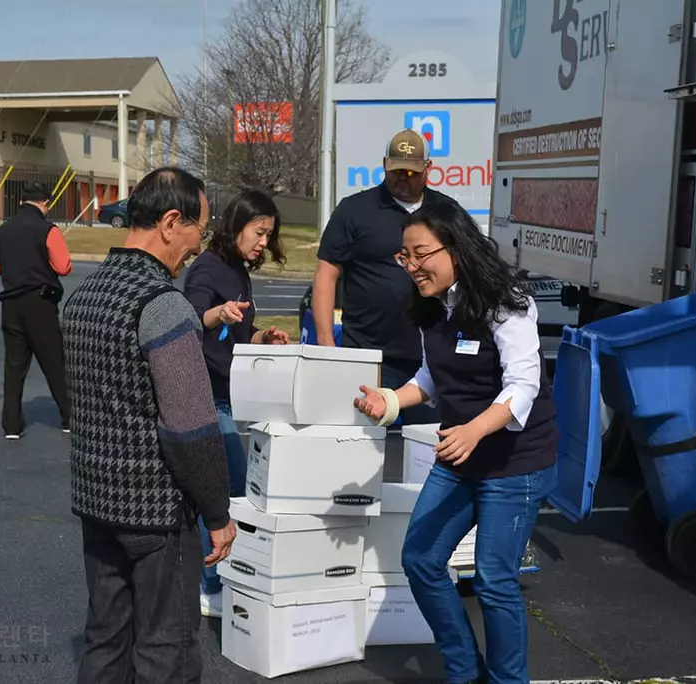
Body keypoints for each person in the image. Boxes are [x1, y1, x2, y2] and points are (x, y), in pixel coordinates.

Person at [353, 201, 558, 684]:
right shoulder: (431, 308)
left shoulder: (507, 301)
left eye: (420, 253)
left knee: (494, 580)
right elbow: (431, 377)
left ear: (456, 248)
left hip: (514, 462)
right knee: (421, 559)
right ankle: (465, 670)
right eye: (404, 257)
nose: (412, 266)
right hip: (460, 456)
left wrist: (474, 429)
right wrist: (391, 401)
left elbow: (523, 384)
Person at [61, 166, 237, 684]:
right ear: (169, 222)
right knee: (167, 649)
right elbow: (191, 429)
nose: (197, 247)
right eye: (197, 232)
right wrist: (217, 511)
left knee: (105, 636)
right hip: (156, 512)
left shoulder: (84, 297)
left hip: (96, 502)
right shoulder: (164, 306)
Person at [182, 188, 290, 618]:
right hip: (205, 392)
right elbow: (191, 319)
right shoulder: (208, 267)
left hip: (226, 392)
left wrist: (263, 336)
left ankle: (216, 579)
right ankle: (210, 585)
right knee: (225, 489)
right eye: (259, 232)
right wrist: (217, 313)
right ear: (237, 225)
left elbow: (237, 333)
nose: (264, 241)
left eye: (269, 235)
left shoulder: (238, 269)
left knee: (228, 488)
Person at [313, 128, 463, 426]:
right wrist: (326, 344)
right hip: (366, 356)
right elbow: (326, 274)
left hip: (428, 357)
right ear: (384, 165)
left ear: (428, 170)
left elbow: (465, 271)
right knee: (359, 451)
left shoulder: (445, 211)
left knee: (425, 448)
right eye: (396, 170)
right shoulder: (354, 210)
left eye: (411, 171)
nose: (403, 177)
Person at [0, 180, 72, 440]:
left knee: (14, 366)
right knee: (54, 363)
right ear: (46, 203)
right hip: (40, 303)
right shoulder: (47, 229)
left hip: (10, 303)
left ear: (20, 202)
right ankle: (70, 417)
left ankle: (11, 425)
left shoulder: (1, 231)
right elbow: (64, 266)